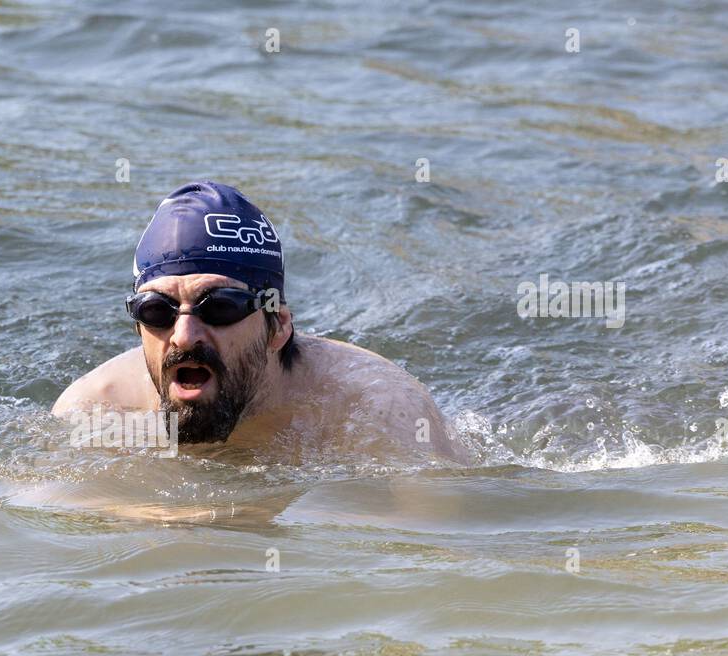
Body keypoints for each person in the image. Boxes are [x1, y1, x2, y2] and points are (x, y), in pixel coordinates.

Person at [53, 181, 468, 463]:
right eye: (157, 311)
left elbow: (432, 540)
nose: (184, 335)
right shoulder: (95, 410)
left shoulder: (376, 409)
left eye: (218, 307)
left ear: (279, 325)